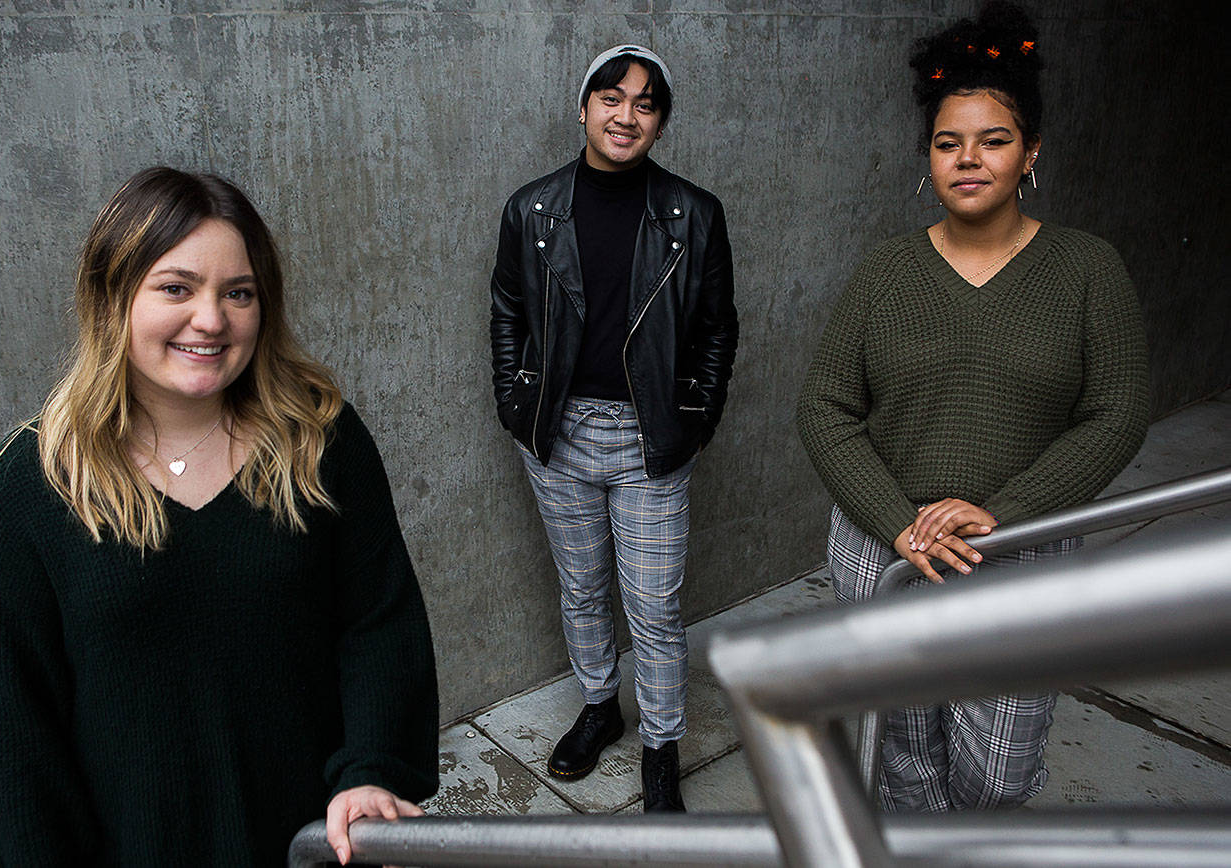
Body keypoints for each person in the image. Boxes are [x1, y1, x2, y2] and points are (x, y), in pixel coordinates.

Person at [0, 167, 438, 866]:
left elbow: (379, 624)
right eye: (176, 288)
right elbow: (17, 753)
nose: (212, 319)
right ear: (112, 295)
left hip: (318, 846)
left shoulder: (320, 441)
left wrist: (373, 772)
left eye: (238, 293)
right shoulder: (23, 495)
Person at [796, 2, 1149, 812]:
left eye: (993, 140)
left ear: (1030, 152)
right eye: (947, 143)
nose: (968, 159)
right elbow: (825, 405)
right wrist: (898, 522)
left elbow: (1118, 413)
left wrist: (1004, 513)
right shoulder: (887, 272)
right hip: (886, 548)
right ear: (927, 158)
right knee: (901, 758)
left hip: (1019, 547)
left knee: (996, 777)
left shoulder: (1087, 269)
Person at [490, 43, 738, 813]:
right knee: (583, 588)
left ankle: (661, 747)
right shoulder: (532, 210)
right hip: (557, 434)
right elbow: (507, 311)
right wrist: (514, 402)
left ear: (660, 122)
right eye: (611, 97)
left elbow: (717, 328)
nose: (625, 114)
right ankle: (600, 707)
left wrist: (695, 417)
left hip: (649, 440)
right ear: (584, 107)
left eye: (645, 103)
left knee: (653, 607)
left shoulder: (693, 214)